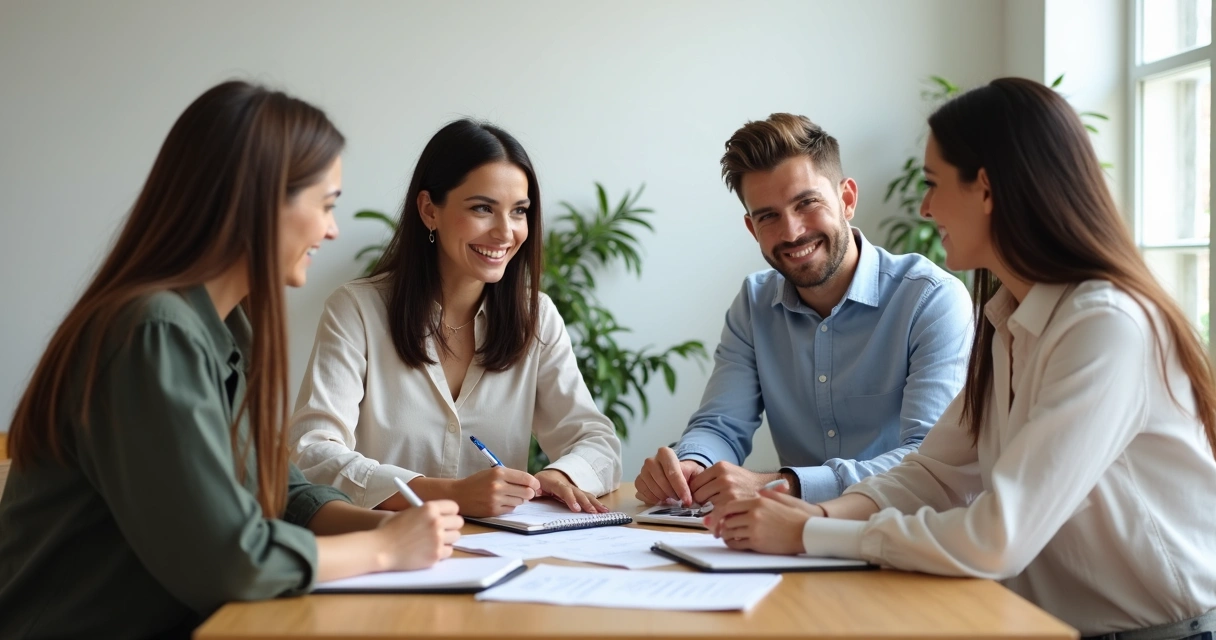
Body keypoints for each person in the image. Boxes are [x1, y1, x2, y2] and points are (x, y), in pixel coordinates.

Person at [705, 78, 1216, 639]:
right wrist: (815, 516)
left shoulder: (1104, 326)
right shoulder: (1009, 318)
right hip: (1043, 624)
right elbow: (933, 472)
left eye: (933, 184)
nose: (924, 206)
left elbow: (1000, 536)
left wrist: (807, 535)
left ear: (987, 189)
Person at [0, 81, 464, 640]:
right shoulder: (151, 333)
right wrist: (384, 548)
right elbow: (226, 559)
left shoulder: (221, 328)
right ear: (258, 202)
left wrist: (405, 532)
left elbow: (281, 491)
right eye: (325, 203)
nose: (331, 229)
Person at [634, 113, 972, 508]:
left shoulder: (931, 299)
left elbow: (928, 462)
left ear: (847, 199)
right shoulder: (754, 303)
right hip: (794, 543)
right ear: (751, 227)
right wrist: (691, 465)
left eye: (806, 203)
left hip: (903, 534)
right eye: (769, 216)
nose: (792, 232)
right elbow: (721, 425)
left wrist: (787, 486)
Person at [288, 119, 622, 517]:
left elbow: (597, 442)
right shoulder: (357, 310)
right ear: (430, 210)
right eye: (483, 208)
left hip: (501, 559)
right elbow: (312, 452)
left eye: (519, 211)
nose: (505, 232)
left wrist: (563, 476)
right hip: (390, 551)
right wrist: (448, 493)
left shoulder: (537, 316)